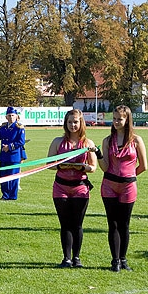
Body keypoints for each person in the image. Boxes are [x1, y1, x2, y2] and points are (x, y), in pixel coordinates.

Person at [98, 106, 147, 272]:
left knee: (124, 224)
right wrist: (99, 155)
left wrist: (129, 177)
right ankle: (115, 260)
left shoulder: (136, 140)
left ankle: (123, 259)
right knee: (113, 224)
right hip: (109, 185)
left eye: (120, 119)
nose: (117, 122)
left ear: (128, 120)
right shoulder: (107, 140)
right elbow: (105, 167)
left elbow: (143, 166)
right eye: (114, 118)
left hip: (128, 186)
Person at [47, 109, 97, 268]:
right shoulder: (57, 142)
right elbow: (49, 165)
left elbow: (93, 167)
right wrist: (61, 166)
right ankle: (66, 258)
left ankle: (76, 258)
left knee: (77, 224)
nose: (72, 125)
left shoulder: (88, 144)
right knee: (65, 224)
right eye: (69, 122)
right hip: (60, 187)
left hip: (80, 188)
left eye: (75, 122)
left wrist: (82, 168)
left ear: (81, 123)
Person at [0, 107, 26, 200]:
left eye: (12, 115)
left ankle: (12, 196)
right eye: (9, 115)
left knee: (13, 176)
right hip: (4, 155)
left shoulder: (19, 127)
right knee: (3, 176)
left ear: (16, 116)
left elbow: (21, 141)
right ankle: (5, 195)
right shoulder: (3, 127)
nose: (11, 117)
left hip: (14, 156)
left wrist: (10, 147)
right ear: (6, 117)